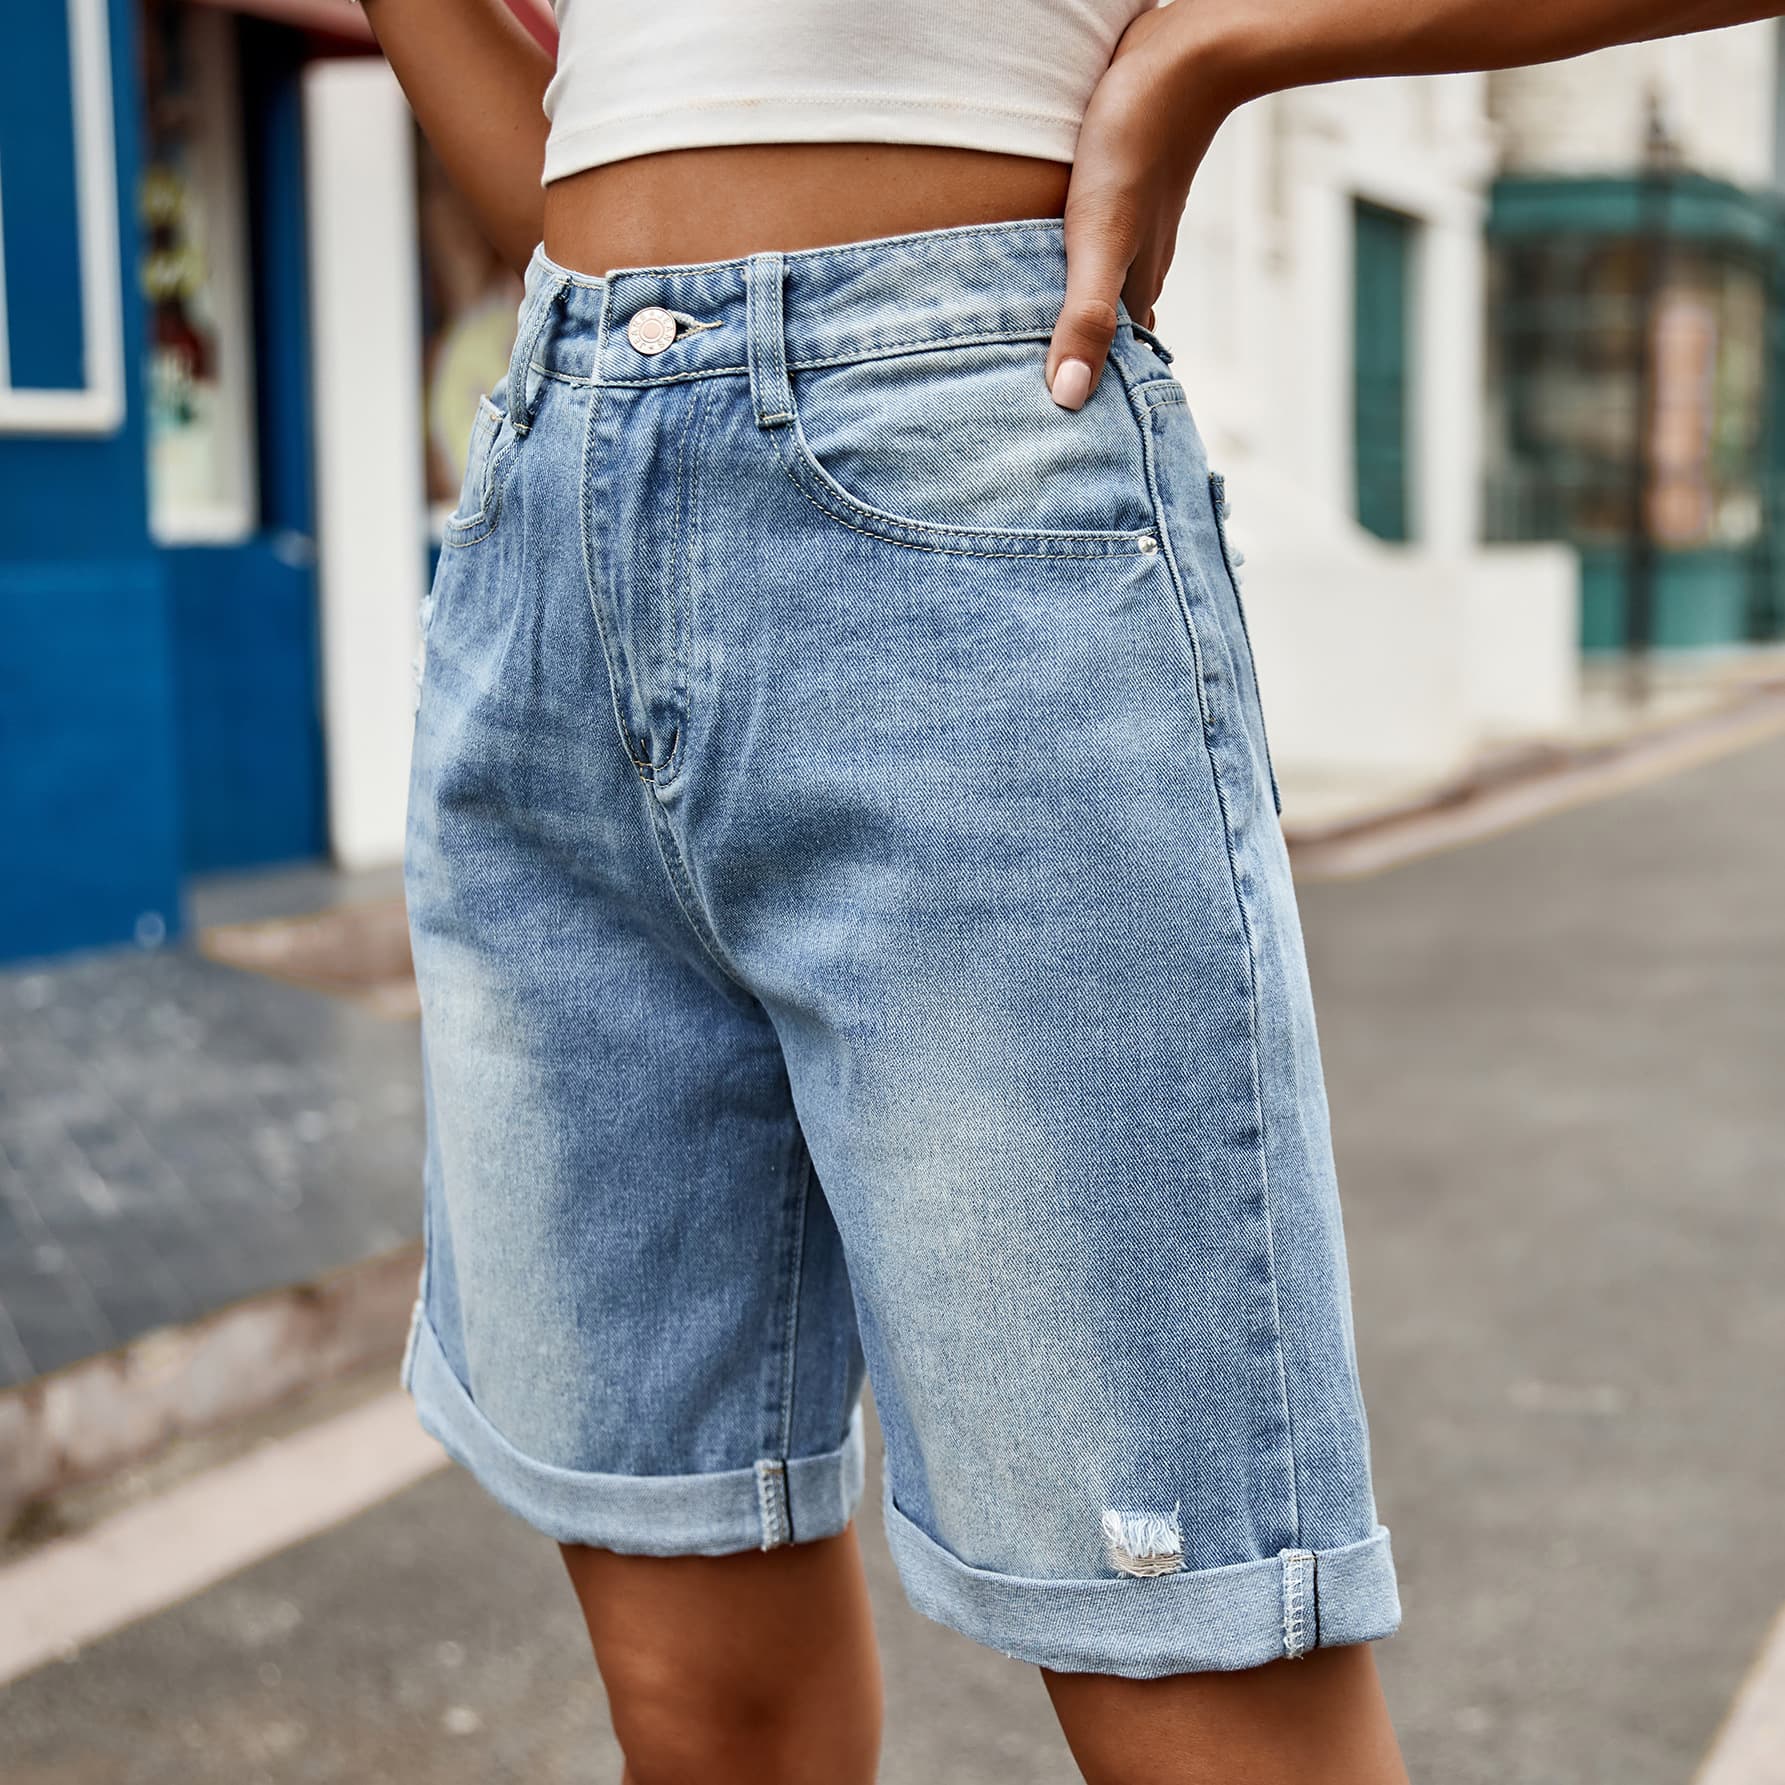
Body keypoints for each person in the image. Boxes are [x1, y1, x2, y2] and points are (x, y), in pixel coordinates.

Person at [363, 3, 1779, 1780]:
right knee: (691, 1690)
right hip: (549, 525)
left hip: (959, 455)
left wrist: (1214, 48)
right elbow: (574, 157)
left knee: (1190, 1660)